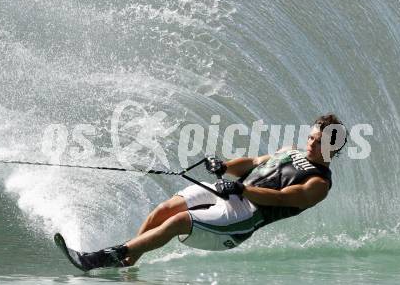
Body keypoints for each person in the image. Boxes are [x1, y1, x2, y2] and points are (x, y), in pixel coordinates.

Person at [76, 114, 347, 270]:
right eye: (311, 137)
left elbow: (280, 198)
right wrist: (225, 165)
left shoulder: (319, 185)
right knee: (166, 209)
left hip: (243, 216)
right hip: (227, 191)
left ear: (333, 148)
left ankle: (100, 258)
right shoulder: (289, 151)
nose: (311, 143)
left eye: (319, 141)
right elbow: (253, 162)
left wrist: (242, 188)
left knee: (179, 222)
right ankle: (129, 261)